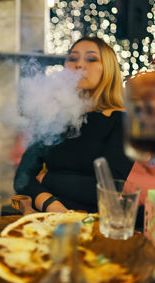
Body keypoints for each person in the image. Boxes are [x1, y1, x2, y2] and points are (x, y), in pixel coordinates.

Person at [13, 36, 134, 214]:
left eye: (91, 59)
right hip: (46, 216)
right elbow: (22, 178)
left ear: (107, 69)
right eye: (72, 58)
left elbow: (107, 190)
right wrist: (52, 206)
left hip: (93, 223)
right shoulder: (52, 115)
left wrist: (47, 179)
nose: (79, 65)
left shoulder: (122, 122)